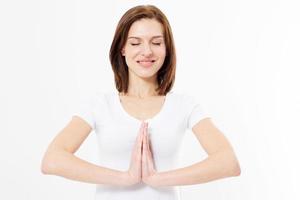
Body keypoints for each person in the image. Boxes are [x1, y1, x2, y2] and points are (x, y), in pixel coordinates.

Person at [41, 4, 241, 200]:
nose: (147, 51)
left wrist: (158, 179)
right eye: (135, 43)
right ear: (122, 49)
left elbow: (228, 162)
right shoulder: (99, 105)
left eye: (156, 42)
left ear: (167, 49)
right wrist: (125, 178)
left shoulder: (185, 106)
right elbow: (52, 160)